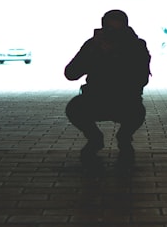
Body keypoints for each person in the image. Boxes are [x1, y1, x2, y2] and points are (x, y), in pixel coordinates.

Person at [64, 9, 151, 157]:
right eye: (110, 30)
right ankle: (95, 138)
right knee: (75, 107)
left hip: (125, 101)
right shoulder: (93, 45)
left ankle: (124, 138)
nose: (113, 35)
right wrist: (92, 51)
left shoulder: (136, 46)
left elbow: (142, 79)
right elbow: (71, 73)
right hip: (96, 99)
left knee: (136, 112)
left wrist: (114, 56)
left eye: (118, 30)